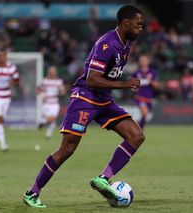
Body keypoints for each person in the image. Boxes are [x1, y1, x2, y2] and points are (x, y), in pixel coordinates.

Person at [23, 5, 144, 208]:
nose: (141, 28)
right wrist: (124, 84)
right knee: (67, 149)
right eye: (138, 24)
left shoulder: (126, 44)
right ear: (126, 23)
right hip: (85, 98)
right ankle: (32, 193)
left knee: (136, 136)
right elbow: (92, 80)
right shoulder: (107, 44)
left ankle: (104, 179)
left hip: (104, 100)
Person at [36, 66, 65, 139]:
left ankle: (42, 122)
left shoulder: (59, 81)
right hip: (46, 103)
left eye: (54, 72)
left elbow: (62, 91)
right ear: (49, 72)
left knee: (53, 118)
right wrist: (41, 94)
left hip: (55, 103)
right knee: (51, 119)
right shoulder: (44, 81)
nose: (52, 73)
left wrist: (62, 92)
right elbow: (38, 89)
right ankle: (48, 132)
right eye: (51, 71)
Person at [132, 55, 159, 129]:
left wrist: (150, 81)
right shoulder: (136, 73)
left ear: (148, 61)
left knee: (145, 116)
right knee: (145, 113)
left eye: (144, 60)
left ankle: (135, 128)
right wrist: (134, 88)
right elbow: (132, 86)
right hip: (140, 96)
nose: (142, 62)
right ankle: (139, 131)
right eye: (141, 61)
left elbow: (157, 86)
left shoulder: (152, 72)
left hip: (149, 97)